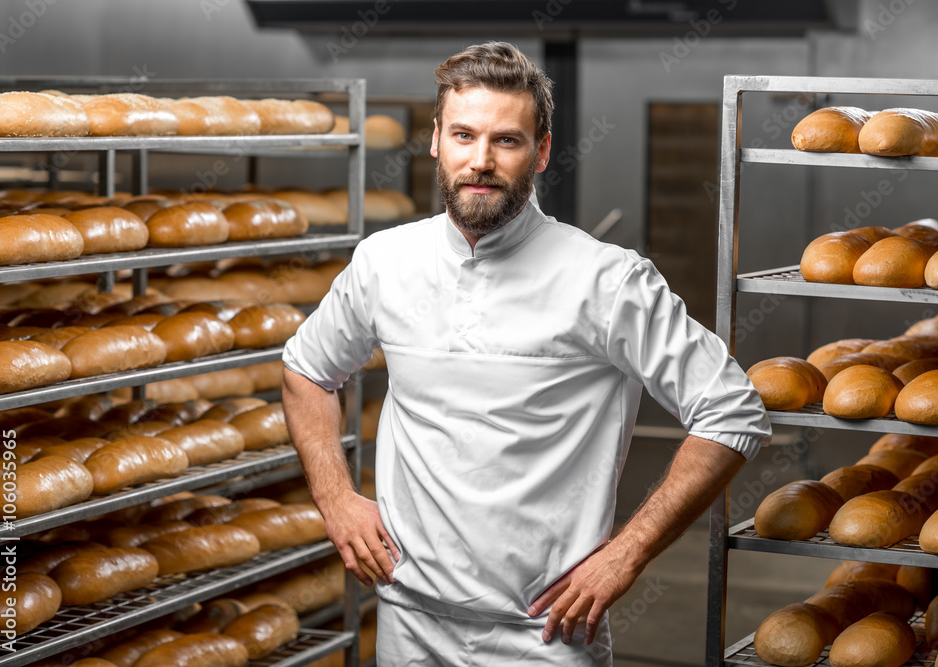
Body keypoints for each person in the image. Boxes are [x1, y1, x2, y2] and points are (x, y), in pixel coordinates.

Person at [282, 41, 770, 666]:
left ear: (540, 152)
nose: (480, 161)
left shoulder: (606, 279)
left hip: (543, 636)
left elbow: (731, 411)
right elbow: (306, 370)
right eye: (464, 135)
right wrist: (336, 498)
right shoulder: (386, 262)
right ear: (436, 140)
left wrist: (628, 553)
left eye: (506, 141)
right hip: (407, 623)